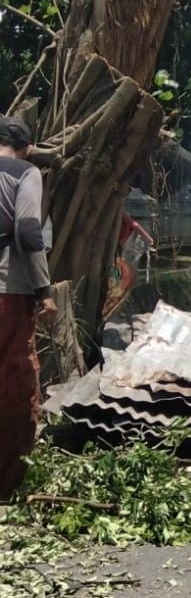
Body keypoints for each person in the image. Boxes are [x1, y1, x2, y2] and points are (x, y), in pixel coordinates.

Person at [0, 116, 54, 499]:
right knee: (15, 385)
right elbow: (29, 230)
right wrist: (44, 290)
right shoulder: (26, 173)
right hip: (8, 291)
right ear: (29, 147)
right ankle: (7, 484)